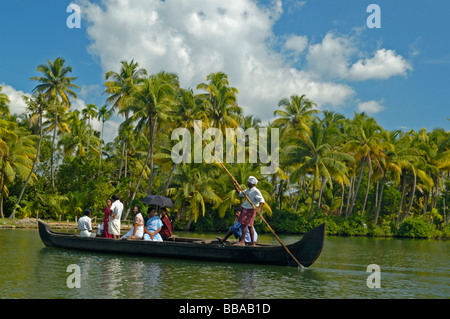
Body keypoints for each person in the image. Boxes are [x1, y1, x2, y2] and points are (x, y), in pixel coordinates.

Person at [233, 176, 265, 246]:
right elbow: (241, 194)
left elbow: (262, 200)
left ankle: (250, 242)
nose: (247, 183)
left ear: (252, 183)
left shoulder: (256, 191)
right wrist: (235, 186)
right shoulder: (248, 190)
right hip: (245, 209)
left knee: (249, 226)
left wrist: (259, 208)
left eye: (248, 182)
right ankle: (243, 241)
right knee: (243, 225)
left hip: (251, 210)